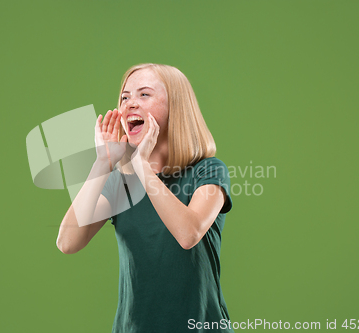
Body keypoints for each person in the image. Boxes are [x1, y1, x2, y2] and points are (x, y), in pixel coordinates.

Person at [56, 63, 234, 333]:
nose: (130, 104)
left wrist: (142, 166)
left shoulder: (208, 171)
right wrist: (103, 163)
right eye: (125, 97)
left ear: (176, 106)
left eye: (144, 95)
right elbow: (67, 242)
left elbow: (188, 234)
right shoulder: (120, 185)